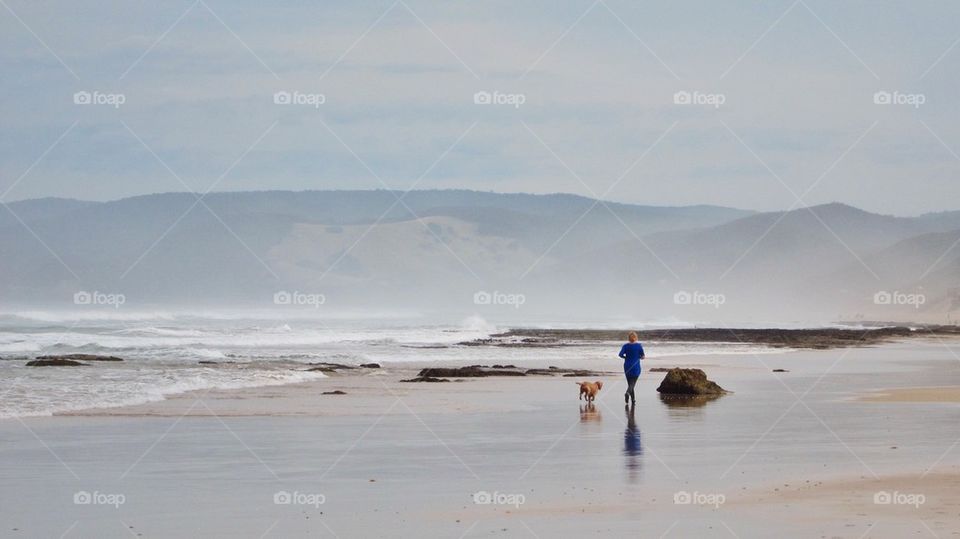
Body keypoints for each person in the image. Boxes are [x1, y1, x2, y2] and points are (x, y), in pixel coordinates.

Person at [618, 332, 644, 405]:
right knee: (632, 384)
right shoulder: (639, 346)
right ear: (636, 338)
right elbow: (643, 356)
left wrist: (626, 357)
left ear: (629, 338)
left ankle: (633, 400)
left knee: (630, 383)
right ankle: (627, 393)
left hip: (627, 366)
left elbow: (620, 355)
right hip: (636, 366)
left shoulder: (625, 346)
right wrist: (639, 357)